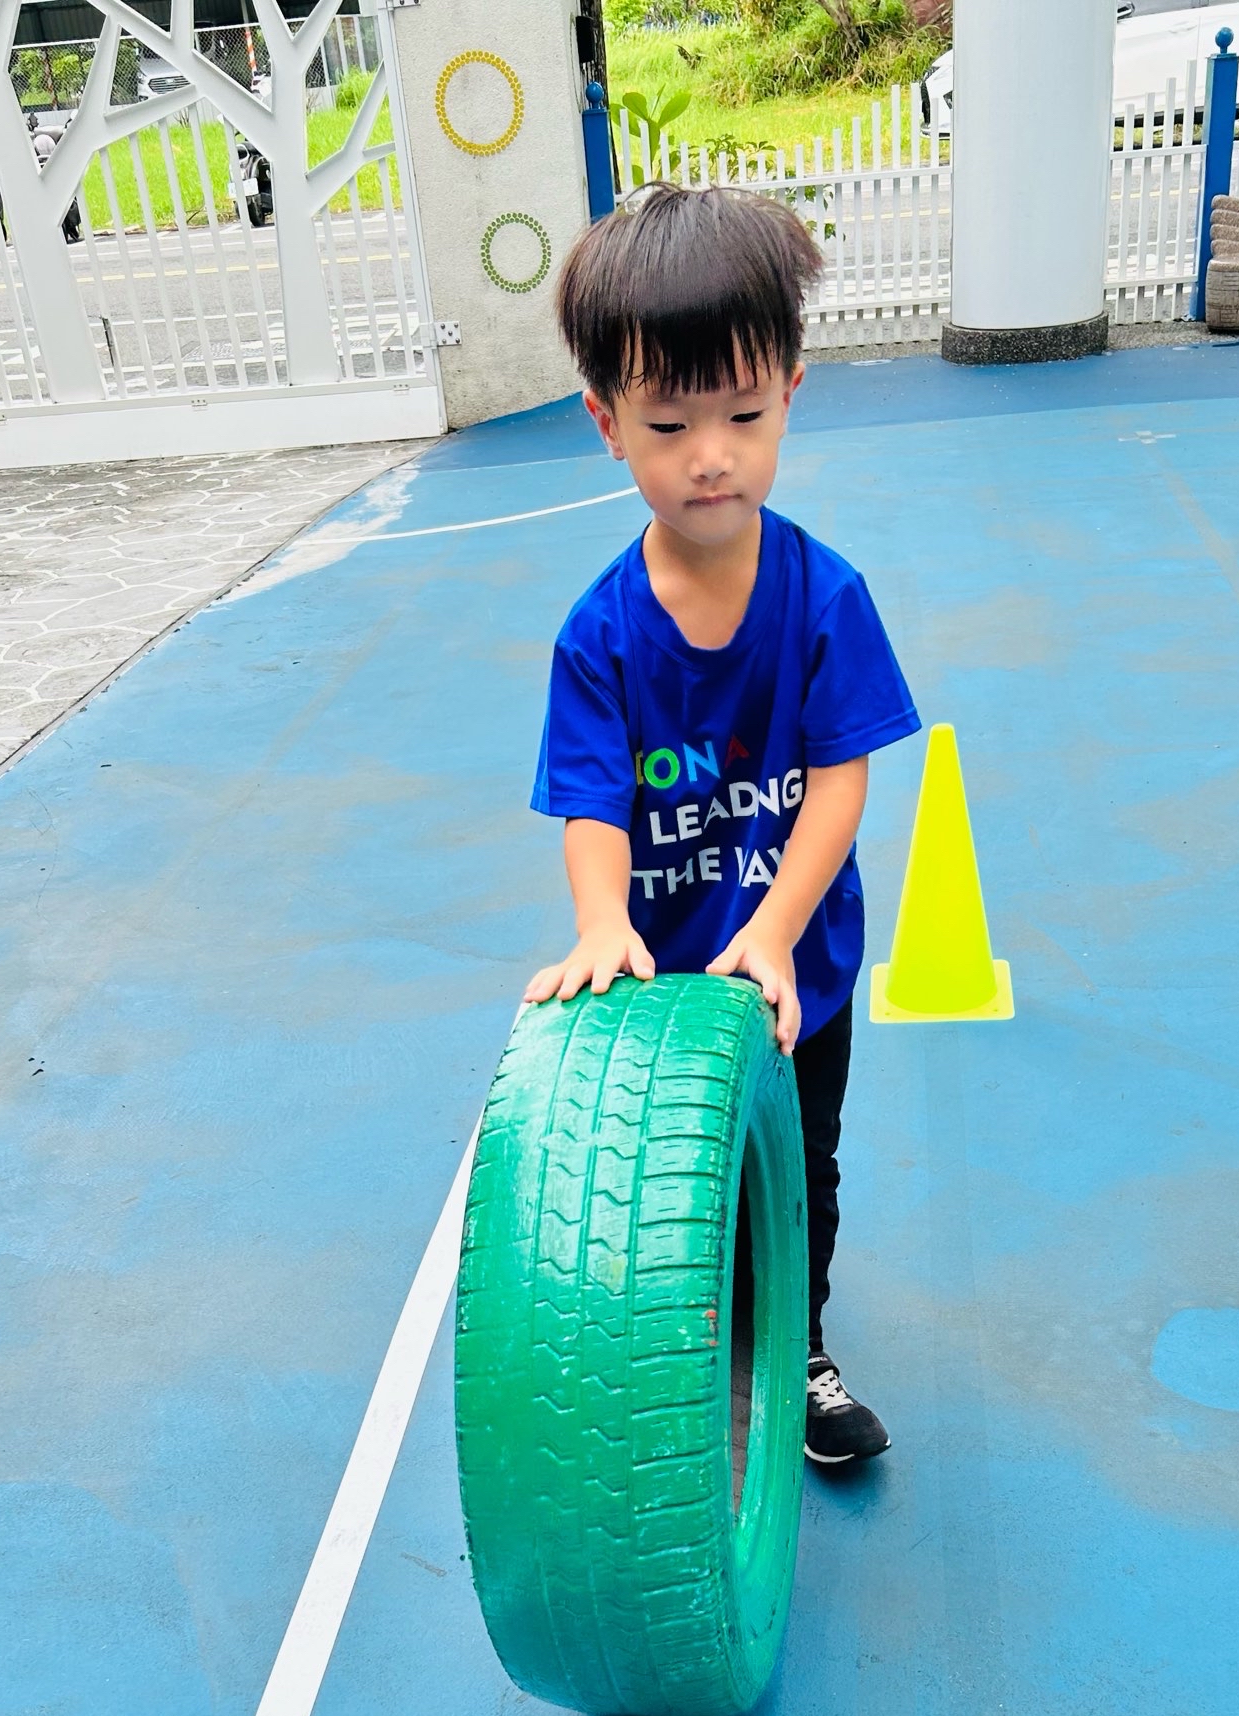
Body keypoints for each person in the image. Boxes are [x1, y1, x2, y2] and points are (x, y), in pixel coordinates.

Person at [527, 184, 920, 1465]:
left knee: (801, 1162)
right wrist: (602, 921)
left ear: (790, 396)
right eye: (670, 422)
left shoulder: (825, 599)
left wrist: (777, 931)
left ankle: (797, 1348)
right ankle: (686, 1347)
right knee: (667, 1184)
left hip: (795, 966)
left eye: (744, 416)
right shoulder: (599, 636)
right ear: (607, 423)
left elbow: (840, 781)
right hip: (664, 986)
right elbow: (593, 800)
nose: (712, 454)